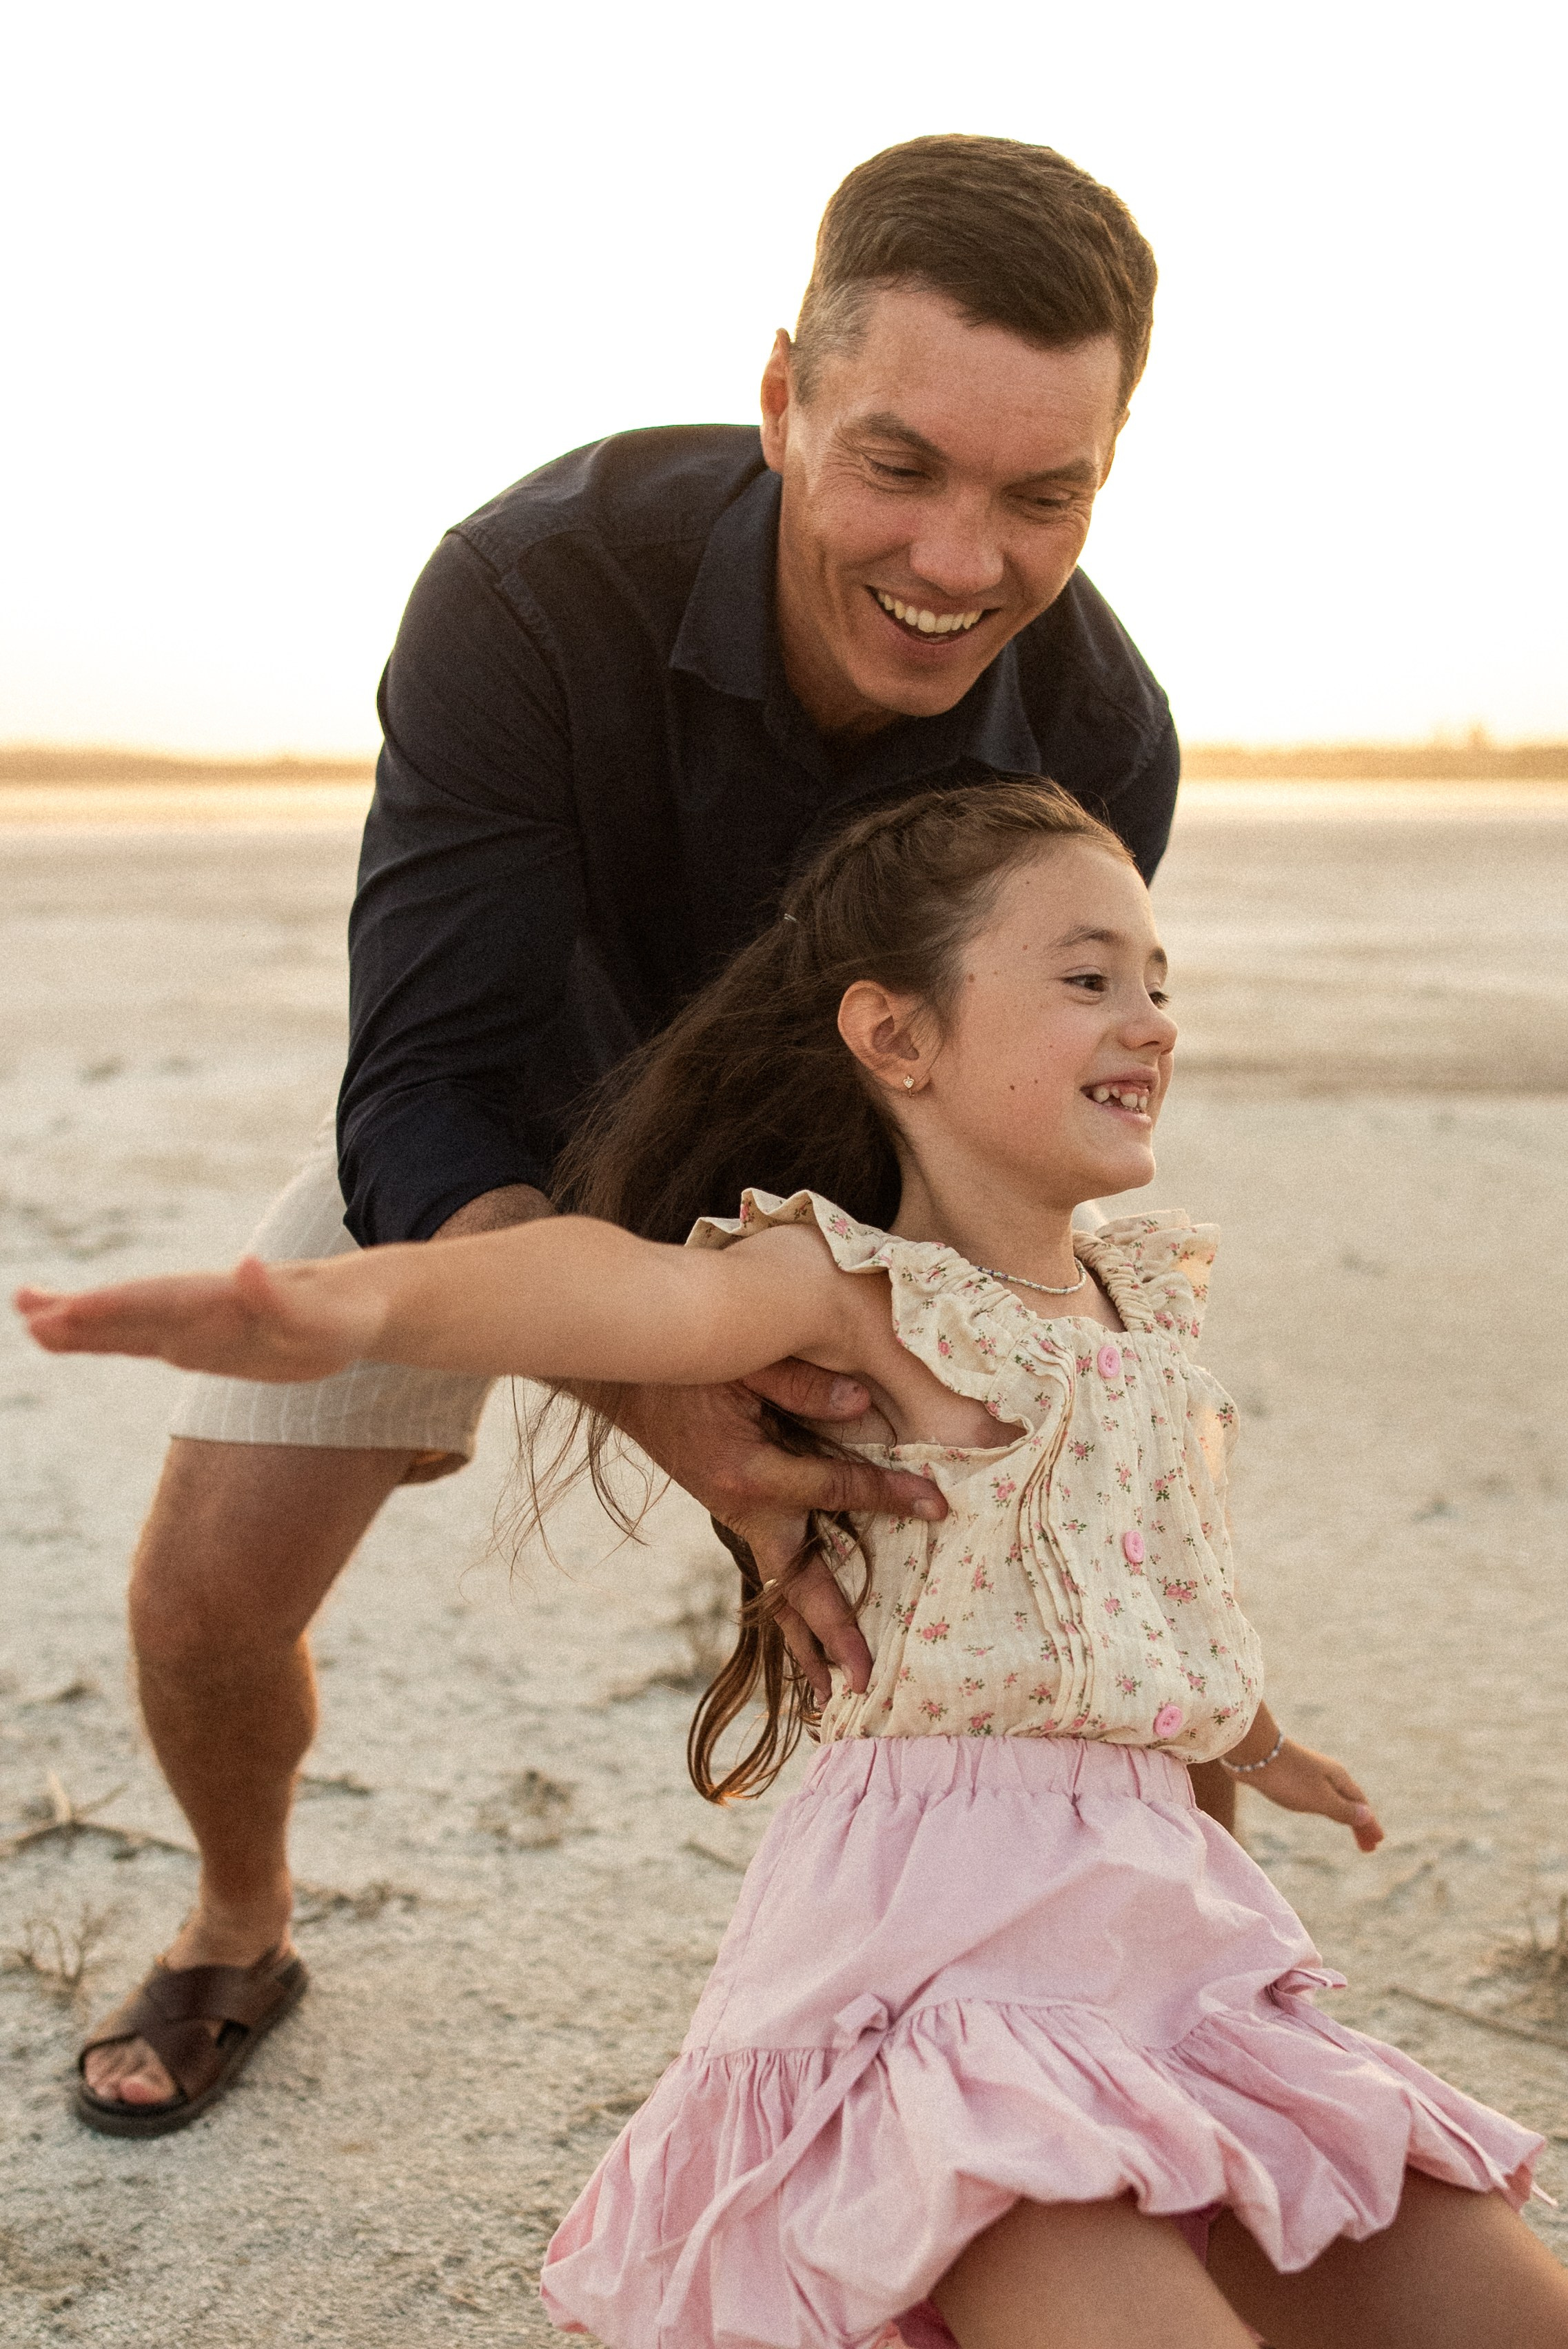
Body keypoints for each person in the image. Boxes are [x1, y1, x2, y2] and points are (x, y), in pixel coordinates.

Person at [21, 780, 1560, 2349]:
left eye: (1159, 982)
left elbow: (1120, 1591)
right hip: (939, 1966)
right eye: (1089, 979)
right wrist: (349, 1312)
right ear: (897, 1039)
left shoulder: (1141, 1303)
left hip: (1167, 1939)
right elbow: (609, 1289)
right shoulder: (853, 1294)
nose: (1150, 1020)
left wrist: (1245, 1733)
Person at [68, 131, 1204, 2133]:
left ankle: (982, 2039)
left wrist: (871, 1386)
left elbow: (989, 1138)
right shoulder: (532, 585)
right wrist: (640, 1375)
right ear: (782, 400)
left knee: (1009, 1628)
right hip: (485, 1135)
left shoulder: (1101, 739)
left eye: (1046, 497)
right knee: (205, 1594)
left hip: (837, 1194)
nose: (961, 565)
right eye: (898, 465)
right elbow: (420, 1085)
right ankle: (243, 1921)